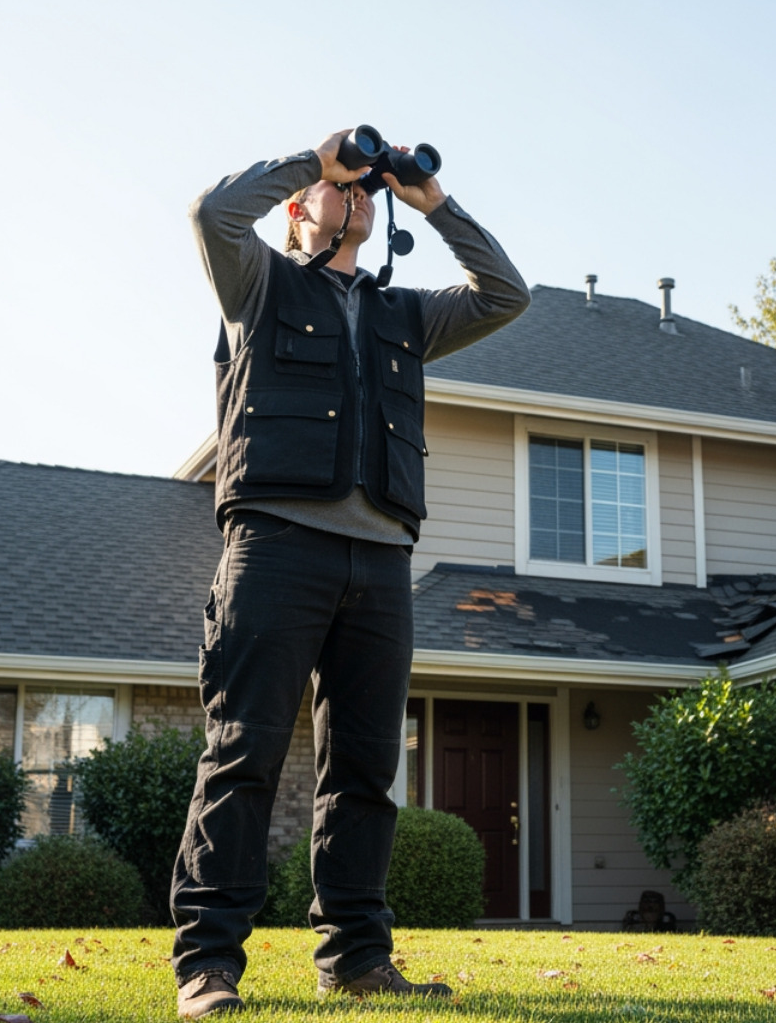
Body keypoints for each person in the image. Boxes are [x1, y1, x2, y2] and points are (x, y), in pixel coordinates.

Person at [171, 129, 530, 1019]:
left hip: (380, 560)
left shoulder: (405, 315)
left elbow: (506, 294)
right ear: (299, 214)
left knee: (366, 770)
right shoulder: (258, 284)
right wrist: (315, 161)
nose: (359, 196)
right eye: (345, 189)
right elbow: (212, 211)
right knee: (242, 754)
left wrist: (432, 202)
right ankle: (208, 965)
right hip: (275, 548)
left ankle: (358, 959)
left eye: (369, 190)